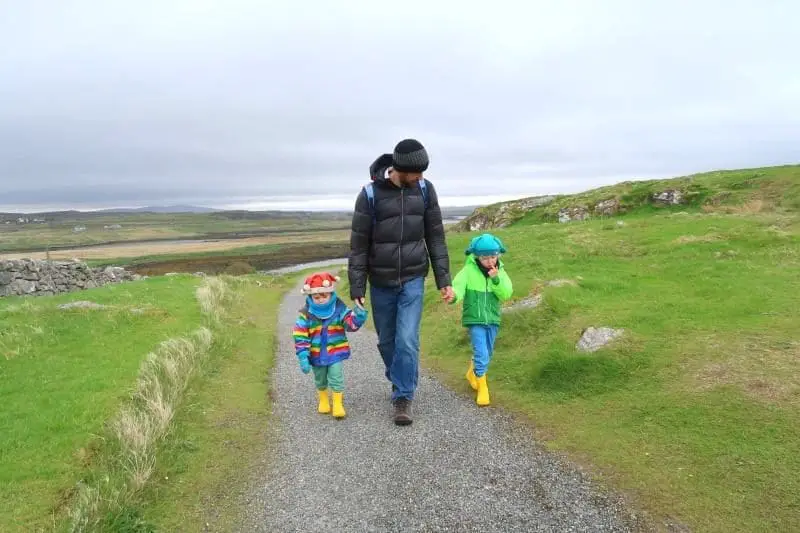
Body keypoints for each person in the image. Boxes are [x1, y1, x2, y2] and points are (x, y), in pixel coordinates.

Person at [348, 138, 453, 426]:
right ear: (400, 169)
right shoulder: (369, 195)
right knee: (387, 341)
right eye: (416, 173)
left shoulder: (425, 189)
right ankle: (400, 376)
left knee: (407, 339)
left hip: (412, 278)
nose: (421, 177)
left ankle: (403, 396)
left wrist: (444, 279)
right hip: (380, 281)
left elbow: (436, 236)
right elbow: (358, 246)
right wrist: (357, 286)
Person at [292, 271, 368, 419]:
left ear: (330, 294)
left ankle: (338, 404)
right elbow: (300, 334)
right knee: (320, 378)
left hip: (335, 352)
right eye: (316, 297)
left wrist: (358, 317)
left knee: (336, 376)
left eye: (324, 296)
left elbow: (350, 325)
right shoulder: (306, 314)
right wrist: (302, 355)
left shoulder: (339, 309)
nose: (320, 300)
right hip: (315, 353)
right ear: (311, 296)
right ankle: (324, 399)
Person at [450, 233, 513, 406]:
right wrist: (453, 296)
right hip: (475, 319)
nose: (490, 261)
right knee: (482, 352)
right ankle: (483, 387)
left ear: (498, 255)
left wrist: (496, 280)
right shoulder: (468, 271)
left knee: (488, 352)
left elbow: (506, 294)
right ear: (476, 256)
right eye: (485, 258)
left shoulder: (500, 272)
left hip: (492, 319)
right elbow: (458, 288)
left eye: (493, 256)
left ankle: (473, 373)